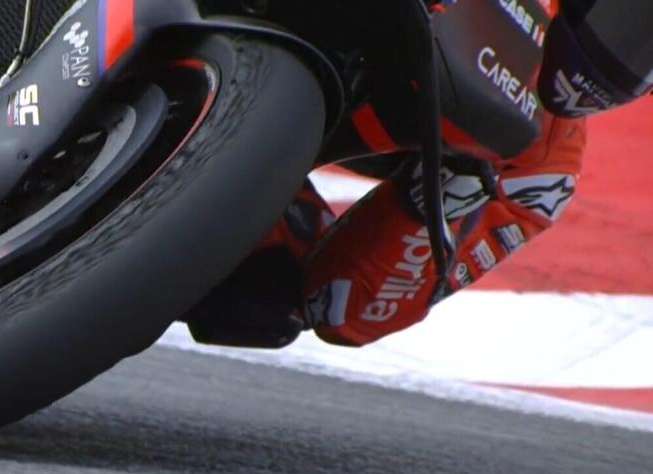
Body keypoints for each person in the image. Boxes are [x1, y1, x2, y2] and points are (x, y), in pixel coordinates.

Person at [185, 0, 652, 349]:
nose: (625, 43)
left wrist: (439, 198)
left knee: (261, 295)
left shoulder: (543, 169)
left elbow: (348, 309)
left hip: (259, 140)